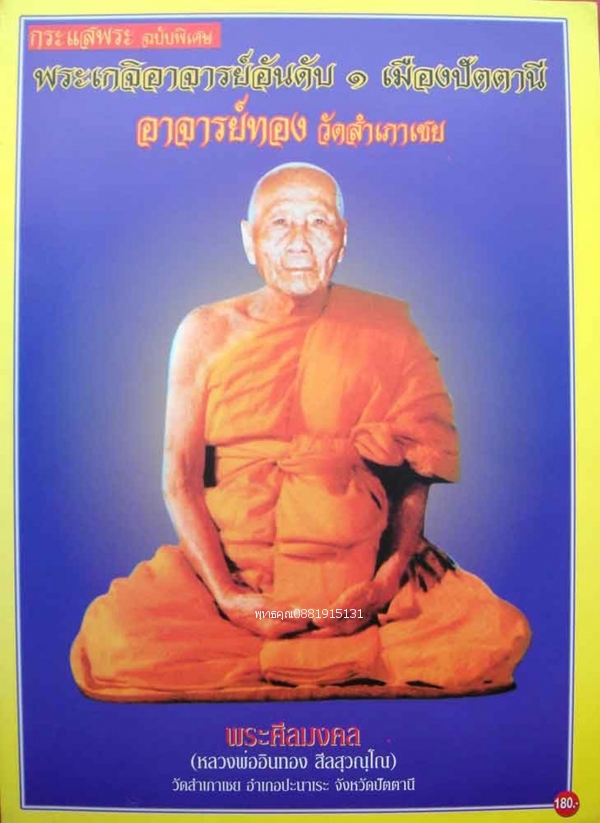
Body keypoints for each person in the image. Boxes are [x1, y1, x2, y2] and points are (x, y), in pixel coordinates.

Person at [70, 162, 531, 702]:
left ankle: (336, 638)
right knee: (118, 639)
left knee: (489, 637)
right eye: (279, 223)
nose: (299, 242)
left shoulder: (386, 329)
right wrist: (227, 595)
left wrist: (386, 581)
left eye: (317, 222)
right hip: (234, 574)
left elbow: (413, 476)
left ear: (343, 238)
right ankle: (289, 643)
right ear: (249, 240)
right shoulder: (205, 333)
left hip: (359, 576)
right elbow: (180, 481)